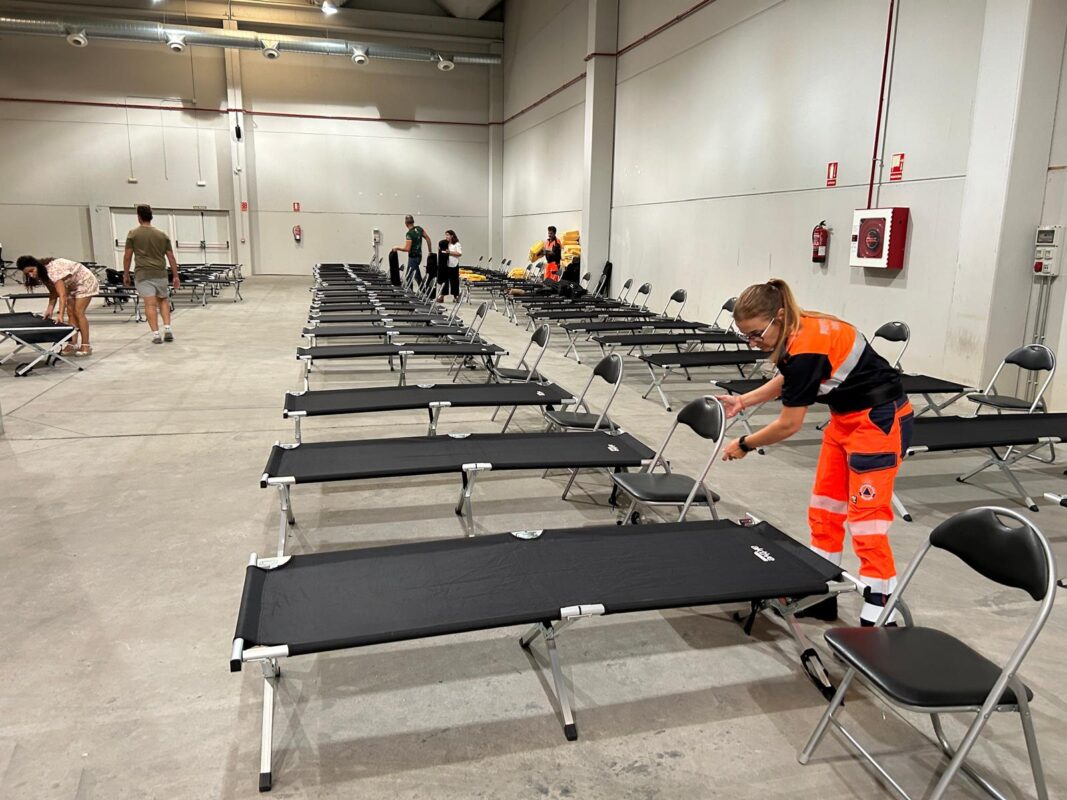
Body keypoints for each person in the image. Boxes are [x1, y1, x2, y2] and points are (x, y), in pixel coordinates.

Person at [717, 278, 912, 626]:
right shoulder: (796, 329)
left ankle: (883, 604)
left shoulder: (808, 345)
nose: (753, 342)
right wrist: (743, 400)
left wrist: (744, 444)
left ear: (778, 316)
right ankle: (821, 589)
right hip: (845, 419)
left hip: (878, 421)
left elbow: (788, 424)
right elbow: (791, 378)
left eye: (757, 334)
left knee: (867, 521)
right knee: (825, 508)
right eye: (747, 336)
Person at [16, 256, 98, 356]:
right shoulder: (43, 274)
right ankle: (72, 343)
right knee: (71, 313)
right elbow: (53, 292)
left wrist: (60, 315)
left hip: (84, 281)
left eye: (32, 271)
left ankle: (86, 345)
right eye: (27, 273)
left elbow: (62, 295)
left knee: (78, 312)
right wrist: (49, 309)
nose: (31, 275)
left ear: (37, 266)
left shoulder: (52, 271)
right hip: (71, 285)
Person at [123, 204, 180, 344]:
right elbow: (171, 257)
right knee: (163, 300)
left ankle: (156, 334)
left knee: (150, 304)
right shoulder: (162, 235)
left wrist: (126, 274)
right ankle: (167, 329)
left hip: (143, 274)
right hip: (160, 273)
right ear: (151, 216)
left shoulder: (133, 234)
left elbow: (127, 256)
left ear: (139, 217)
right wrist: (175, 275)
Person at [391, 215, 432, 289]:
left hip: (413, 257)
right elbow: (428, 239)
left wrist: (397, 248)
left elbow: (407, 249)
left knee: (416, 277)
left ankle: (423, 291)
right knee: (409, 276)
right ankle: (411, 291)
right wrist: (430, 251)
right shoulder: (419, 229)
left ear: (406, 224)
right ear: (413, 222)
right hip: (419, 256)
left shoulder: (409, 234)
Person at [437, 230, 462, 303]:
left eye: (448, 235)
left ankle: (455, 296)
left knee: (454, 281)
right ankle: (442, 296)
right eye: (446, 235)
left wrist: (449, 252)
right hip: (445, 265)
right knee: (444, 281)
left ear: (452, 236)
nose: (446, 236)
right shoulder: (445, 243)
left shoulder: (456, 244)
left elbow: (459, 253)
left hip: (453, 265)